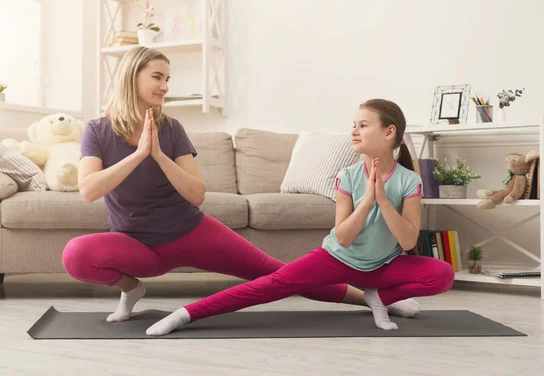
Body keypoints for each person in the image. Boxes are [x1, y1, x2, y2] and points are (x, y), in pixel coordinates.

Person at [61, 48, 420, 323]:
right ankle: (133, 289)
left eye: (167, 78)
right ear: (131, 77)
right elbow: (89, 190)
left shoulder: (170, 129)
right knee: (76, 254)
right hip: (135, 242)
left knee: (279, 273)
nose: (165, 86)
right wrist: (138, 154)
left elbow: (197, 193)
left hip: (188, 231)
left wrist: (158, 155)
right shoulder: (98, 130)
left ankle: (371, 297)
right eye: (157, 77)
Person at [146, 98, 455, 336]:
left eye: (363, 125)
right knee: (268, 286)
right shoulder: (347, 176)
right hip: (336, 259)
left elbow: (409, 239)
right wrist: (367, 202)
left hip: (383, 268)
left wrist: (385, 201)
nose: (354, 130)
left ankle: (377, 296)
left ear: (389, 133)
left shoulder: (408, 181)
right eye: (354, 124)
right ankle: (185, 314)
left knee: (442, 274)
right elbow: (344, 237)